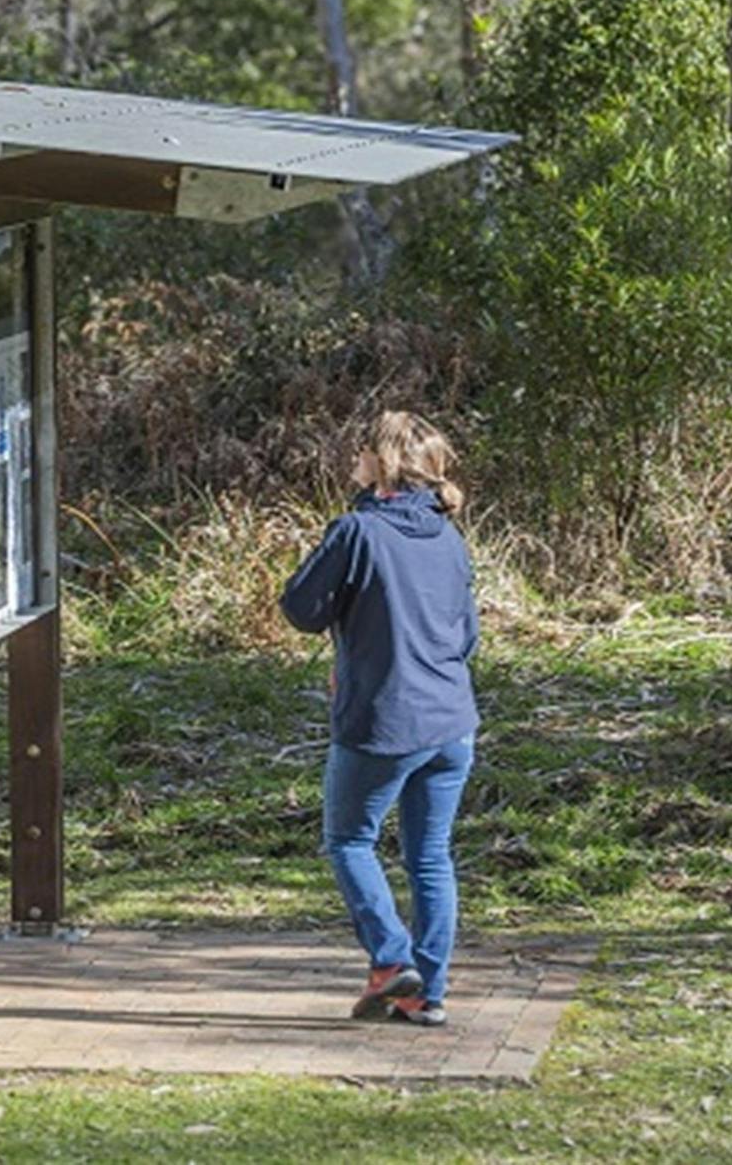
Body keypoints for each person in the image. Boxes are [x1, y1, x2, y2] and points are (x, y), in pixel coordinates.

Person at [280, 411, 479, 1028]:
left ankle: (392, 963)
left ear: (383, 463)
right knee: (430, 857)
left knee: (349, 840)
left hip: (383, 722)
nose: (352, 462)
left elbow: (300, 609)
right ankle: (428, 995)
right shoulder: (449, 539)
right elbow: (466, 637)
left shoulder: (356, 531)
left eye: (360, 452)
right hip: (452, 723)